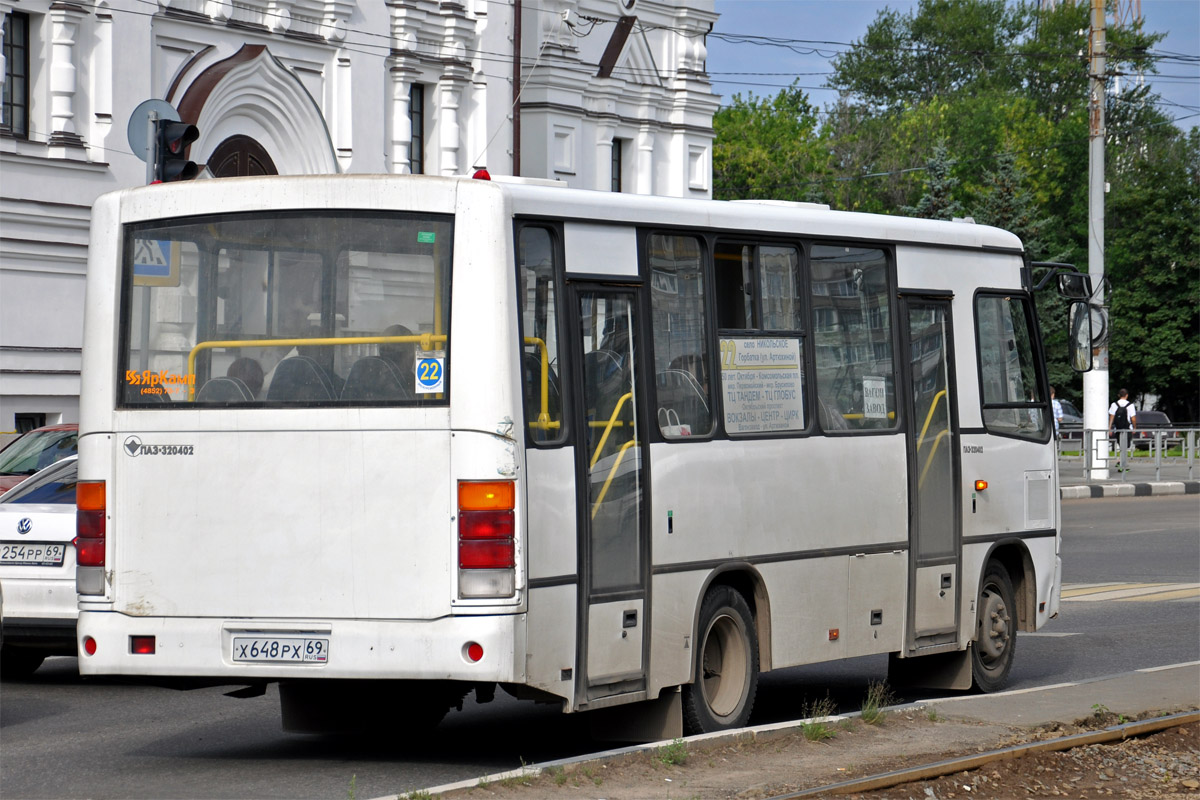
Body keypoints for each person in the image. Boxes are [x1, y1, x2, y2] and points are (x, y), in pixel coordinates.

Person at [1108, 388, 1137, 472]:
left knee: (1121, 446)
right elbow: (1133, 418)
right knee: (1125, 447)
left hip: (1118, 429)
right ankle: (1123, 465)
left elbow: (1111, 417)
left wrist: (1109, 428)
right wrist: (1134, 427)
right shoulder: (1130, 405)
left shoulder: (1114, 404)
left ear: (1118, 395)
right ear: (1127, 395)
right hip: (1127, 429)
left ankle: (1120, 461)